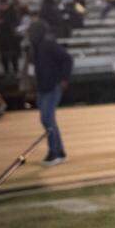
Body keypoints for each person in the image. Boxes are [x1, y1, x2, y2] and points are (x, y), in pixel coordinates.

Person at [30, 22, 73, 166]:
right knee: (48, 120)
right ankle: (59, 152)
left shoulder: (48, 45)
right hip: (43, 88)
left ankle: (54, 153)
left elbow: (68, 58)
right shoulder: (36, 47)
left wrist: (64, 79)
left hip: (53, 86)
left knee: (47, 119)